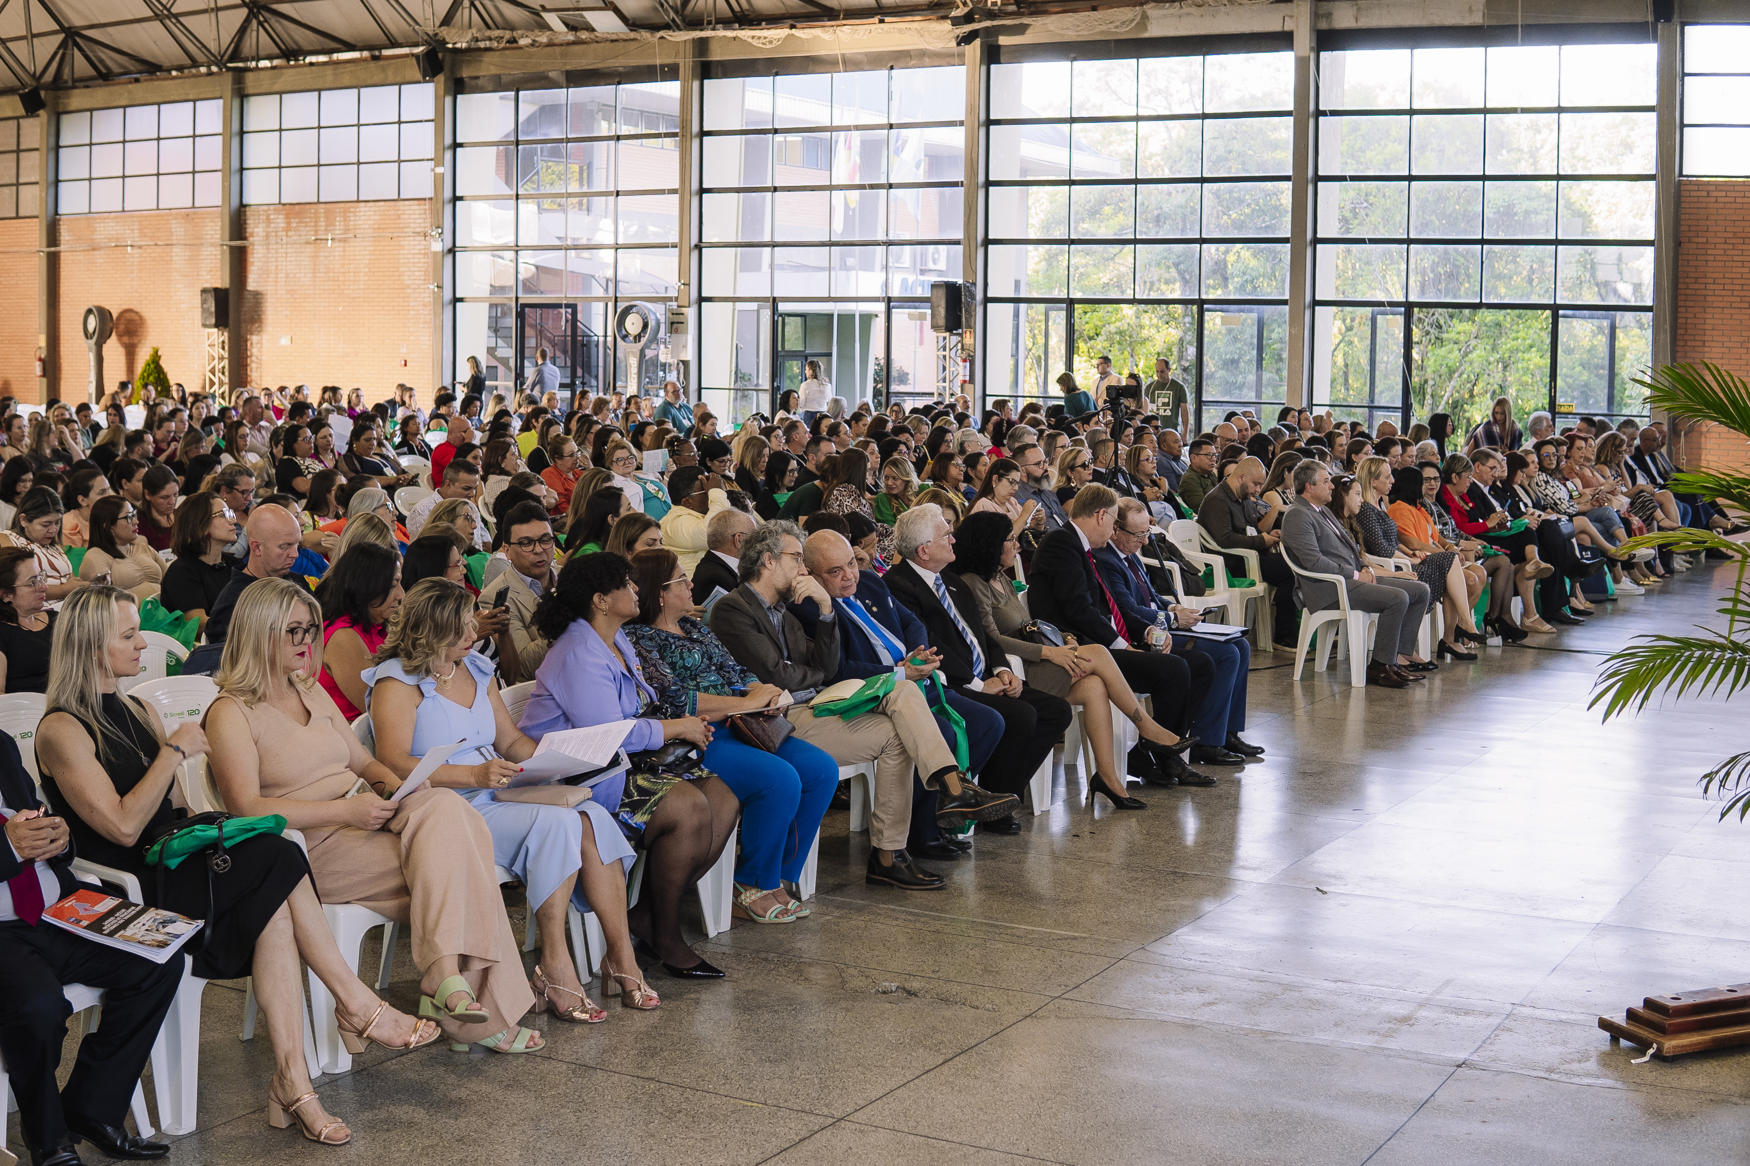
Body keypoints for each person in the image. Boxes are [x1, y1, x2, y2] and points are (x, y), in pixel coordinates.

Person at [37, 587, 438, 1151]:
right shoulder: (63, 729)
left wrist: (213, 825)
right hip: (131, 889)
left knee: (272, 886)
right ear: (90, 645)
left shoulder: (138, 710)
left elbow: (176, 812)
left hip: (177, 862)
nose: (143, 643)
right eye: (128, 635)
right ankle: (353, 1004)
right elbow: (124, 829)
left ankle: (296, 1084)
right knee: (278, 853)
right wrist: (173, 754)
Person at [206, 578, 541, 1055]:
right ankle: (459, 998)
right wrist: (346, 809)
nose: (306, 641)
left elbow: (363, 762)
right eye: (293, 631)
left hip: (362, 816)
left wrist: (396, 785)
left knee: (447, 807)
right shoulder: (231, 711)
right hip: (304, 846)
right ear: (259, 632)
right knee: (462, 865)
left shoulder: (308, 690)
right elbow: (246, 808)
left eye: (310, 629)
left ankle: (446, 978)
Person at [365, 578, 657, 1018]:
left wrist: (560, 760)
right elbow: (393, 759)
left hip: (498, 787)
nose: (473, 632)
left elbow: (512, 742)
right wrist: (472, 774)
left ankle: (621, 957)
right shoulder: (397, 680)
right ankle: (556, 962)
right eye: (462, 625)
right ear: (433, 627)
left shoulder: (474, 668)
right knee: (559, 822)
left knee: (592, 815)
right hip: (447, 806)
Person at [710, 521, 1016, 890]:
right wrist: (814, 671)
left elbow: (824, 667)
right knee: (904, 707)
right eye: (796, 559)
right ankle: (949, 793)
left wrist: (827, 609)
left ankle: (892, 851)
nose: (803, 569)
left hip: (814, 705)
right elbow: (782, 675)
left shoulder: (786, 611)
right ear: (769, 561)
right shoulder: (733, 609)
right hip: (779, 718)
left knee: (902, 710)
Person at [519, 552, 738, 978]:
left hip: (621, 761)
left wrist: (680, 727)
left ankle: (647, 917)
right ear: (601, 600)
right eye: (626, 582)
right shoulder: (578, 653)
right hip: (579, 774)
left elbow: (637, 711)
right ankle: (666, 935)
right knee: (688, 808)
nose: (637, 588)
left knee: (723, 800)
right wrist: (676, 728)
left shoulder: (615, 637)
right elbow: (608, 733)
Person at [624, 549, 837, 923]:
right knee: (778, 778)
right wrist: (744, 702)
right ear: (659, 593)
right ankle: (750, 882)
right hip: (696, 737)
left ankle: (777, 876)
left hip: (744, 723)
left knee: (821, 769)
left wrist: (762, 692)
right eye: (681, 579)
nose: (692, 584)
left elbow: (735, 669)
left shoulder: (695, 627)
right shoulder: (639, 639)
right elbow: (675, 699)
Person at [0, 728, 182, 1166]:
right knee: (38, 1009)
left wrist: (59, 838)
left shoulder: (1, 744)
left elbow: (33, 815)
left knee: (158, 956)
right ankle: (49, 1139)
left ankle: (92, 1108)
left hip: (54, 909)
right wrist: (8, 846)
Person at [885, 506, 1074, 813]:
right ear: (924, 550)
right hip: (950, 683)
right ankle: (990, 798)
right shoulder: (899, 587)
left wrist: (1002, 669)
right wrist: (977, 684)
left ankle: (1000, 793)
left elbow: (985, 635)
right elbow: (929, 646)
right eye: (946, 535)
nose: (953, 540)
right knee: (1021, 715)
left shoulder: (952, 581)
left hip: (986, 675)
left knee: (1056, 711)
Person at [1095, 497, 1260, 766]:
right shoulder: (1107, 560)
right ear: (1116, 530)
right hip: (1145, 633)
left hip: (1162, 622)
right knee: (1226, 654)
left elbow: (1150, 596)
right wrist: (1173, 619)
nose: (1145, 541)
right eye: (1138, 535)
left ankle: (1227, 731)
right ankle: (1207, 740)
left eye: (1146, 533)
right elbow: (1127, 611)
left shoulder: (1130, 554)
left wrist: (1173, 606)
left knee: (1241, 645)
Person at [1280, 461, 1432, 688]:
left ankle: (1399, 656)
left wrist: (1364, 567)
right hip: (1328, 587)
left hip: (1349, 579)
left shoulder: (1322, 511)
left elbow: (1350, 547)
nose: (1332, 486)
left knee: (1420, 590)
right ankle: (1380, 666)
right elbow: (1314, 563)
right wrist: (1356, 574)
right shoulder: (1297, 515)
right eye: (1325, 481)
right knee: (1398, 598)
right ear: (1309, 487)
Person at [1352, 456, 1481, 660]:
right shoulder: (1367, 511)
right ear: (1373, 481)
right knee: (1448, 566)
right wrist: (1408, 559)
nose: (1392, 481)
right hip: (1391, 567)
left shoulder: (1380, 506)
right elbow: (1381, 549)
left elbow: (1395, 540)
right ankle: (1458, 628)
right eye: (1387, 477)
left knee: (1449, 561)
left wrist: (1409, 553)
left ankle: (1461, 626)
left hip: (1402, 559)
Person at [1388, 464, 1527, 640]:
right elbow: (1412, 543)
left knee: (1480, 572)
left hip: (1436, 555)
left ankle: (1458, 630)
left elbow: (1436, 537)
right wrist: (1446, 553)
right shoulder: (1399, 509)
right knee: (1471, 579)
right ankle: (1459, 630)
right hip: (1421, 561)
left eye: (1435, 479)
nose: (1429, 485)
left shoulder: (1419, 508)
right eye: (1424, 481)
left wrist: (1449, 548)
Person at [1197, 456, 1299, 648]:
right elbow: (1225, 540)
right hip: (1231, 564)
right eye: (1256, 484)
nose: (1259, 490)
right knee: (1288, 572)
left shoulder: (1242, 498)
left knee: (1293, 564)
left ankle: (1288, 631)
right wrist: (1262, 540)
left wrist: (1267, 535)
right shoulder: (1217, 500)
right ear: (1242, 477)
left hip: (1249, 557)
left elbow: (1249, 530)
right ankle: (1284, 636)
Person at [314, 542, 404, 722]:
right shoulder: (342, 637)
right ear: (367, 586)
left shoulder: (376, 624)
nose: (401, 594)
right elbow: (378, 710)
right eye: (393, 585)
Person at [478, 501, 559, 683]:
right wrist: (570, 624)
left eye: (545, 540)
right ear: (507, 551)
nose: (538, 550)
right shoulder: (494, 597)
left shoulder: (569, 577)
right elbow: (524, 666)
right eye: (526, 543)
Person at [75, 496, 165, 601]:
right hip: (130, 611)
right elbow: (103, 602)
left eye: (134, 514)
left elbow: (170, 578)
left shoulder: (142, 547)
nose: (136, 521)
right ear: (108, 526)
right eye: (128, 517)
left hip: (165, 608)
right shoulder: (95, 556)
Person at [659, 465, 732, 575]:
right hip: (692, 584)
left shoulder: (704, 514)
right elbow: (714, 533)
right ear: (687, 502)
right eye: (706, 490)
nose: (710, 494)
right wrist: (716, 491)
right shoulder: (674, 523)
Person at [0, 546, 54, 694]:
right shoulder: (3, 634)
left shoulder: (56, 619)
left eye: (41, 577)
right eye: (32, 582)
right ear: (6, 595)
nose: (44, 587)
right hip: (30, 706)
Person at [691, 507, 752, 606]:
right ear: (739, 540)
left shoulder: (713, 565)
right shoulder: (716, 577)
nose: (758, 543)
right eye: (755, 537)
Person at [58, 466, 109, 550]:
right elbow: (75, 558)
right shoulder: (69, 526)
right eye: (102, 492)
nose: (109, 496)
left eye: (108, 490)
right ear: (82, 500)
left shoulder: (111, 516)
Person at [798, 360, 831, 427]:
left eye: (806, 369)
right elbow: (829, 401)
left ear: (810, 371)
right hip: (823, 414)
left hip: (809, 415)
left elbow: (801, 403)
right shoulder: (827, 385)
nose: (805, 371)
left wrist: (800, 409)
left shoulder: (805, 385)